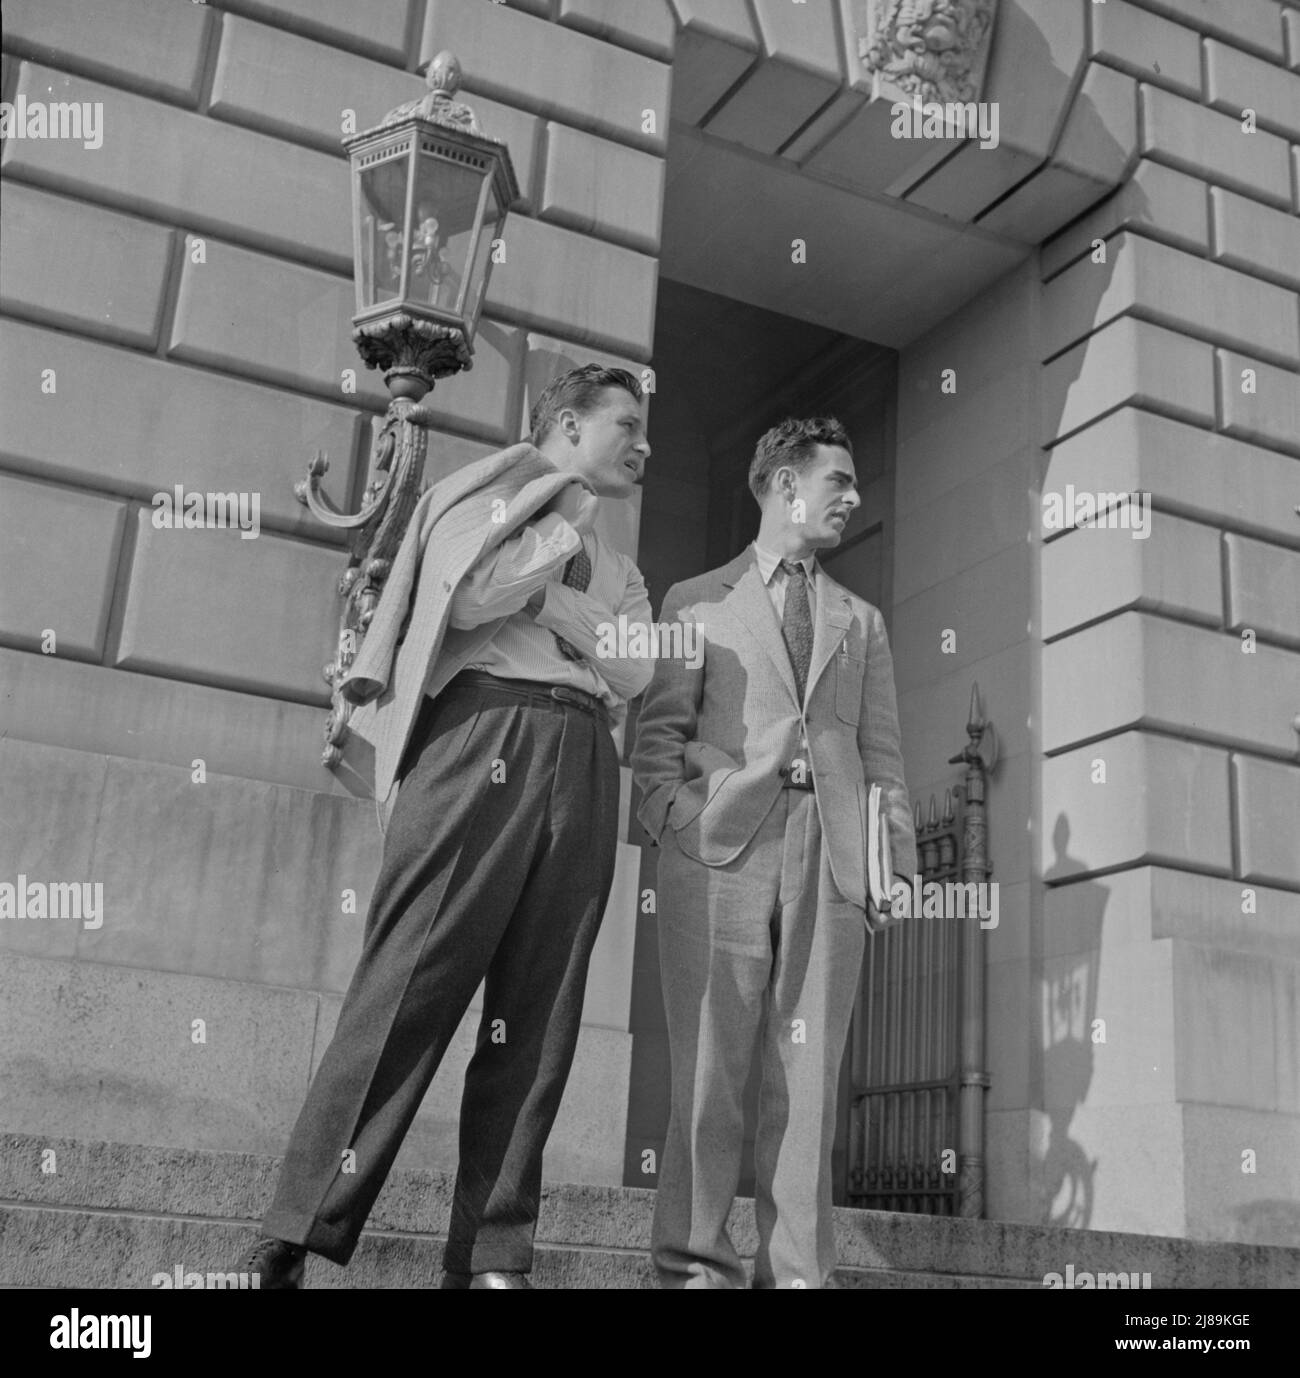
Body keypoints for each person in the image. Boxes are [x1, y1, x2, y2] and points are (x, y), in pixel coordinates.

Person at [237, 365, 652, 1289]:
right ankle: (295, 1230)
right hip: (480, 736)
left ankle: (495, 1261)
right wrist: (562, 541)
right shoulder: (476, 498)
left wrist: (553, 605)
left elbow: (633, 674)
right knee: (405, 984)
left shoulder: (625, 569)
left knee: (539, 1019)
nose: (643, 445)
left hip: (584, 759)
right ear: (569, 426)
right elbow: (466, 599)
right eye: (626, 424)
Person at [631, 416, 916, 1288]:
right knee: (710, 1069)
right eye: (841, 481)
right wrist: (676, 819)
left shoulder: (859, 620)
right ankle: (693, 1267)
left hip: (829, 859)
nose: (854, 498)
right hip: (717, 850)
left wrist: (892, 866)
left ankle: (797, 1275)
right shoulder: (693, 601)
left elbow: (884, 754)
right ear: (788, 484)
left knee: (810, 1082)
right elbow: (656, 739)